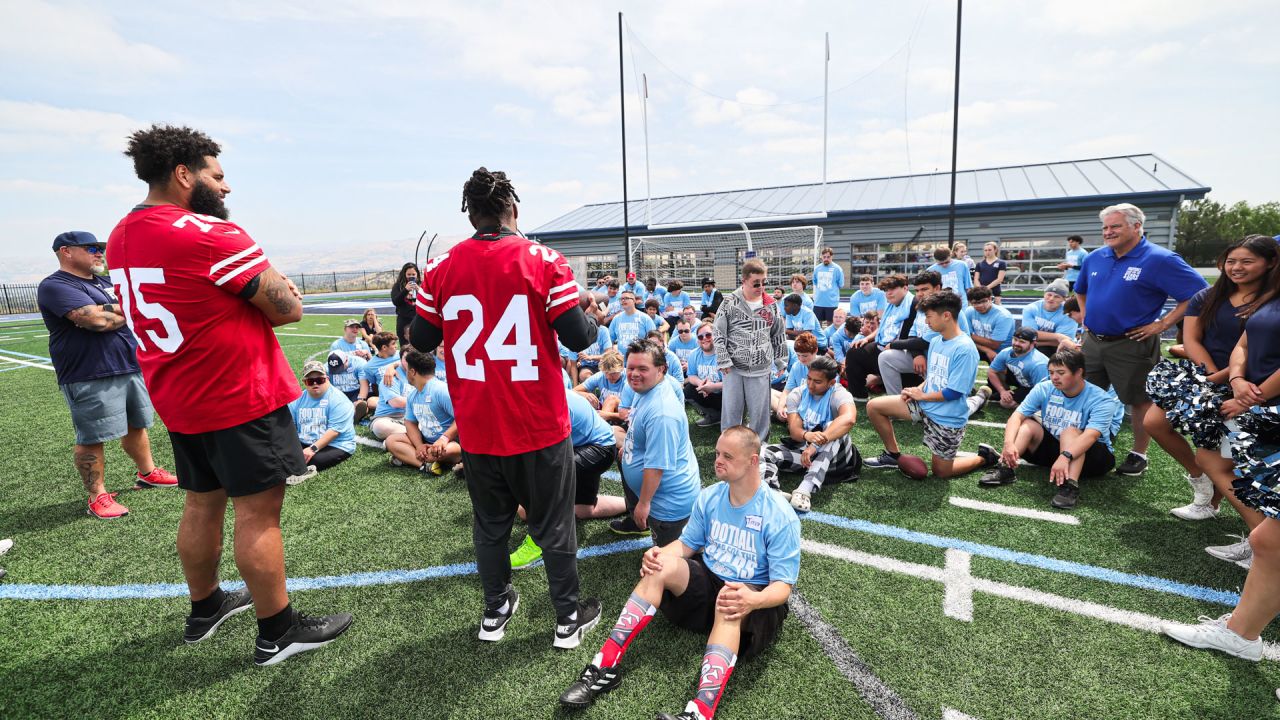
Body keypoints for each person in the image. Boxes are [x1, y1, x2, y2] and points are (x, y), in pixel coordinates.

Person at [107, 124, 349, 664]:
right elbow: (289, 309)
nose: (226, 188)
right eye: (217, 176)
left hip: (180, 394)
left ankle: (206, 606)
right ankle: (278, 631)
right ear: (183, 174)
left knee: (200, 501)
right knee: (259, 514)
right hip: (237, 394)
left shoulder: (121, 233)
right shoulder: (209, 233)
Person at [410, 166, 603, 649]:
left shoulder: (441, 267)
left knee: (490, 525)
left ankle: (495, 610)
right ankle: (567, 619)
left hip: (478, 426)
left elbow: (421, 338)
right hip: (536, 422)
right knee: (554, 524)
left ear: (470, 213)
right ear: (512, 208)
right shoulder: (544, 260)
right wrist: (589, 314)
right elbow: (579, 338)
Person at [558, 426, 800, 720]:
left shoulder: (779, 514)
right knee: (661, 564)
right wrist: (659, 553)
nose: (718, 461)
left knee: (730, 597)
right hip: (709, 583)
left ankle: (700, 712)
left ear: (752, 461)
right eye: (717, 454)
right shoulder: (711, 496)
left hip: (754, 602)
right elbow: (687, 545)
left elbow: (782, 587)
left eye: (727, 456)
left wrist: (752, 600)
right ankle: (604, 666)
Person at [1163, 281, 1280, 654]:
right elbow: (1244, 343)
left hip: (1262, 402)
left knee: (1269, 539)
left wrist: (1250, 393)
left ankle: (1240, 635)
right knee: (1268, 540)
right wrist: (1236, 378)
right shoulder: (1272, 296)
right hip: (1254, 399)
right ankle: (1240, 635)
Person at [38, 230, 181, 519]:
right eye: (91, 248)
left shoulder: (104, 281)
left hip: (129, 362)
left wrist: (112, 311)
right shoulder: (55, 285)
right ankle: (97, 495)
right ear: (66, 252)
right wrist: (118, 310)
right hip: (89, 371)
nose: (99, 253)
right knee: (92, 436)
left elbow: (132, 307)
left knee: (136, 425)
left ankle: (148, 472)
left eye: (99, 248)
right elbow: (94, 321)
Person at [1151, 236, 1277, 523]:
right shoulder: (1207, 296)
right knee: (1155, 422)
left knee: (1221, 451)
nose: (1236, 268)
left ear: (1270, 263)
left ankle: (1245, 526)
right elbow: (1192, 339)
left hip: (1249, 383)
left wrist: (1227, 380)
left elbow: (1251, 349)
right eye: (1231, 261)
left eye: (1247, 261)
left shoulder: (1271, 300)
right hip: (1209, 375)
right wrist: (1208, 377)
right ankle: (1202, 482)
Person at [1076, 202, 1208, 476]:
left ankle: (1139, 453)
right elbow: (1081, 290)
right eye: (1105, 227)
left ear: (1137, 227)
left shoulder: (1160, 259)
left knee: (1139, 400)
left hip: (1131, 342)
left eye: (1115, 226)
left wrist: (1164, 324)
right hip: (1093, 341)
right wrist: (1086, 316)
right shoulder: (1095, 257)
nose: (1108, 232)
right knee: (1081, 393)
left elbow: (1200, 294)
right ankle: (1083, 444)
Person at [864, 291, 998, 479]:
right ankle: (893, 455)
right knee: (874, 406)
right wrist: (918, 389)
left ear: (946, 316)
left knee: (941, 472)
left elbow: (953, 392)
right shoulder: (936, 340)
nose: (926, 322)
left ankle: (985, 457)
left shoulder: (965, 349)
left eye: (928, 316)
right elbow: (934, 375)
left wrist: (922, 396)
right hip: (925, 403)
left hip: (947, 417)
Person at [977, 349, 1121, 509]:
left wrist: (1065, 456)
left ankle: (1070, 486)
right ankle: (1006, 469)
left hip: (1093, 458)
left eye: (1060, 372)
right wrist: (1008, 444)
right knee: (1027, 426)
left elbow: (1091, 436)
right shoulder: (1044, 388)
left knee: (1070, 431)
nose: (1054, 377)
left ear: (1079, 372)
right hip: (1056, 452)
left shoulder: (1101, 399)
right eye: (1051, 372)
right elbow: (1016, 416)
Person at [509, 388, 628, 569]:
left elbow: (550, 456)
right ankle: (632, 505)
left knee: (544, 484)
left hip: (598, 448)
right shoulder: (538, 391)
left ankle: (539, 542)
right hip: (593, 443)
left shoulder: (544, 401)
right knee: (585, 509)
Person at [607, 340, 701, 544]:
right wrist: (630, 448)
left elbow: (657, 466)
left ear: (661, 370)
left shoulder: (662, 413)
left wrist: (644, 503)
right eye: (631, 367)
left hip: (668, 506)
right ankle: (636, 519)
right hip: (659, 494)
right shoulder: (648, 389)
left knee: (668, 563)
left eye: (642, 368)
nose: (634, 374)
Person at [761, 356, 859, 512]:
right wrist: (807, 436)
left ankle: (804, 490)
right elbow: (794, 431)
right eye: (809, 379)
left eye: (817, 382)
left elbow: (849, 419)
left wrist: (816, 443)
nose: (811, 385)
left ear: (831, 382)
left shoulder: (839, 394)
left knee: (832, 427)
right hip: (806, 456)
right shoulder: (797, 394)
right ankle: (771, 489)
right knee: (764, 451)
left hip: (836, 462)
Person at [712, 259, 788, 440]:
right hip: (733, 368)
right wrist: (723, 359)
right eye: (756, 283)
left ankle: (760, 448)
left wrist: (781, 361)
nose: (761, 287)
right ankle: (730, 446)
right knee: (731, 413)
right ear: (743, 280)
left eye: (764, 283)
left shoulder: (770, 304)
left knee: (760, 415)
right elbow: (718, 332)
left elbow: (778, 334)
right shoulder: (729, 302)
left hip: (761, 369)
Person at [383, 349, 461, 475]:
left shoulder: (441, 390)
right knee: (391, 441)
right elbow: (410, 422)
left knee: (435, 453)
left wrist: (443, 439)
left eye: (407, 369)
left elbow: (461, 418)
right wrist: (419, 445)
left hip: (449, 442)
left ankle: (412, 459)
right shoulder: (413, 395)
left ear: (412, 372)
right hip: (426, 441)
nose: (405, 372)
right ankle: (425, 465)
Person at [843, 274, 915, 400]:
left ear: (905, 288)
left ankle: (896, 400)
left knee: (885, 357)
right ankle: (859, 396)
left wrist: (894, 345)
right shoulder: (891, 306)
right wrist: (867, 338)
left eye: (893, 289)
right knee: (854, 352)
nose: (889, 293)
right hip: (884, 346)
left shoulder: (913, 305)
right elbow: (883, 329)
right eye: (886, 290)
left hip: (902, 352)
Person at [287, 360, 355, 478]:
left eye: (319, 380)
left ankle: (300, 471)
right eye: (310, 381)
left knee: (306, 462)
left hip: (336, 444)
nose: (315, 384)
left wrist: (312, 449)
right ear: (304, 382)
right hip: (305, 440)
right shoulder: (297, 400)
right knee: (278, 456)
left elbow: (334, 431)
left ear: (327, 379)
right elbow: (290, 425)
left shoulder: (339, 400)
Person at [984, 327, 1051, 411]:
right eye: (1015, 339)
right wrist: (1002, 391)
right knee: (998, 371)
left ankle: (1033, 410)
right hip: (1021, 379)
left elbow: (1043, 390)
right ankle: (1008, 392)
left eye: (1022, 342)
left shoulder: (1038, 363)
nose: (1016, 343)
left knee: (1005, 403)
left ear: (1033, 343)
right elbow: (992, 372)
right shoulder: (1006, 352)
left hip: (1033, 387)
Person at [1021, 280, 1081, 356]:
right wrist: (1057, 336)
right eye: (1049, 295)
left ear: (1064, 299)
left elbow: (1064, 342)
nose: (1051, 298)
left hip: (1059, 348)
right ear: (1044, 294)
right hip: (1038, 345)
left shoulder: (1068, 313)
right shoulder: (1031, 308)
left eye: (1057, 296)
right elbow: (1028, 334)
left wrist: (1036, 342)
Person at [772, 332, 820, 421]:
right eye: (798, 355)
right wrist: (780, 408)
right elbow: (787, 391)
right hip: (797, 402)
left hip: (815, 407)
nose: (801, 359)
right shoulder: (796, 366)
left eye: (805, 356)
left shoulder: (824, 367)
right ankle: (787, 415)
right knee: (768, 393)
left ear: (815, 351)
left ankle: (793, 418)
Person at [962, 285, 1015, 362]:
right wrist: (987, 350)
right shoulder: (969, 311)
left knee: (996, 373)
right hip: (981, 347)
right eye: (975, 303)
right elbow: (965, 337)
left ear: (990, 299)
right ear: (970, 303)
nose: (980, 305)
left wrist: (971, 336)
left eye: (983, 301)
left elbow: (995, 344)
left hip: (1001, 351)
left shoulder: (1003, 316)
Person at [685, 322, 724, 428]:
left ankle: (732, 418)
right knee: (688, 390)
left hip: (726, 395)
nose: (704, 338)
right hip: (707, 392)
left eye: (708, 335)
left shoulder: (724, 354)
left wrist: (713, 387)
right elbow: (691, 375)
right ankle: (714, 416)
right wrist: (701, 384)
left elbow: (734, 383)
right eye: (700, 336)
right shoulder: (694, 354)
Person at [359, 332, 400, 427]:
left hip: (405, 392)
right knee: (371, 401)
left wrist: (392, 366)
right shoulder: (369, 367)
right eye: (393, 344)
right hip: (387, 397)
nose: (396, 346)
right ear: (384, 348)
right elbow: (374, 385)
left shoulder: (401, 355)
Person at [611, 291, 657, 359]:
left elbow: (654, 339)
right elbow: (610, 339)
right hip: (620, 360)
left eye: (626, 298)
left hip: (640, 358)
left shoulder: (645, 318)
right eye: (621, 299)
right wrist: (614, 349)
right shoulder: (616, 318)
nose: (623, 300)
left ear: (634, 300)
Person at [811, 247, 845, 325]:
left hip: (831, 303)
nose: (826, 259)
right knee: (817, 325)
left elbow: (841, 284)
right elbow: (815, 282)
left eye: (828, 257)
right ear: (821, 257)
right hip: (818, 302)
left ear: (832, 257)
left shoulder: (837, 269)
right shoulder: (817, 269)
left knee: (831, 325)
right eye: (824, 257)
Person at [390, 262, 420, 345]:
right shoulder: (398, 286)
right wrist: (405, 290)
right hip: (404, 321)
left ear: (417, 274)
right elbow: (395, 301)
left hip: (418, 320)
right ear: (404, 274)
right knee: (405, 346)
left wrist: (419, 290)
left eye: (413, 274)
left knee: (420, 345)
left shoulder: (422, 285)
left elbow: (429, 300)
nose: (411, 276)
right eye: (408, 274)